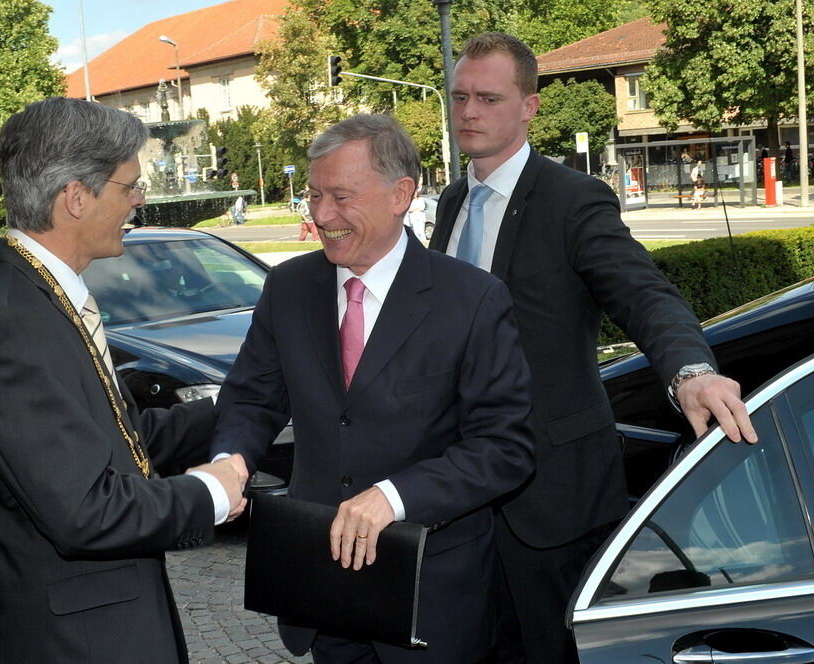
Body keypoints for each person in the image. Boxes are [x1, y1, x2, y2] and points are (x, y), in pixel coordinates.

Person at [428, 32, 755, 663]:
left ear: (529, 107)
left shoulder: (571, 199)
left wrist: (690, 370)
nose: (468, 112)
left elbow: (644, 293)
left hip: (553, 500)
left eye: (488, 99)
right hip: (462, 497)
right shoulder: (451, 201)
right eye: (460, 96)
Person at [212, 114, 536, 663]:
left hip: (430, 595)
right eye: (314, 195)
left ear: (400, 195)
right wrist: (230, 461)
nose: (321, 215)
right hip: (323, 591)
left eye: (341, 196)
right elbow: (251, 398)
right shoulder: (288, 287)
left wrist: (393, 496)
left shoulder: (472, 299)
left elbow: (504, 448)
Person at [0, 97, 247, 664]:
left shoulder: (41, 296)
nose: (140, 199)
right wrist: (211, 492)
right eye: (128, 185)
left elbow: (120, 440)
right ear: (76, 198)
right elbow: (87, 510)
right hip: (72, 644)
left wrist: (245, 403)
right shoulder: (15, 322)